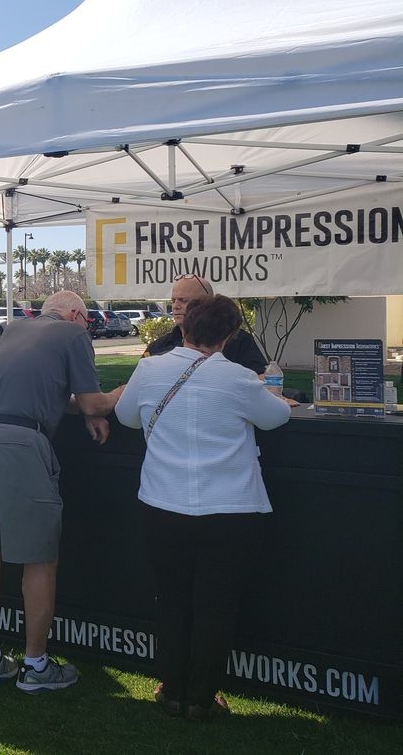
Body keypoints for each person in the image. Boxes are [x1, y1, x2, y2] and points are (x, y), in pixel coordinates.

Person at [115, 295, 291, 720]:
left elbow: (125, 415)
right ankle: (201, 697)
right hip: (231, 512)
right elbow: (276, 418)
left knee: (171, 600)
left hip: (161, 505)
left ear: (184, 327)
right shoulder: (238, 379)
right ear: (229, 336)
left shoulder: (150, 369)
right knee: (216, 607)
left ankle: (173, 689)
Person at [0, 290, 123, 693]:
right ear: (75, 315)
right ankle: (35, 665)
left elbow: (45, 391)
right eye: (88, 322)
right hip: (19, 445)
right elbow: (93, 401)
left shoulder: (15, 329)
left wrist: (83, 411)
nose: (90, 330)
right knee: (40, 557)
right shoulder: (72, 333)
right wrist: (121, 394)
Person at [144, 275, 267, 375]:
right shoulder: (158, 346)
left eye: (184, 300)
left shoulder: (239, 341)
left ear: (206, 303)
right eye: (173, 300)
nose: (175, 306)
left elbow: (263, 379)